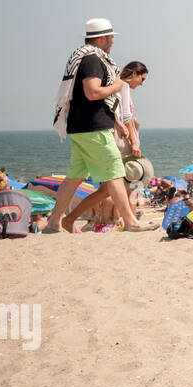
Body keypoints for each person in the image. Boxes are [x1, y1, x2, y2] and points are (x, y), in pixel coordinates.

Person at [44, 19, 155, 233]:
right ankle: (131, 222)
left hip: (79, 127)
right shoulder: (93, 59)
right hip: (94, 128)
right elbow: (92, 92)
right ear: (102, 38)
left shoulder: (83, 57)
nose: (112, 42)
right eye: (111, 38)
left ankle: (53, 223)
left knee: (75, 176)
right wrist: (115, 86)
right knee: (114, 173)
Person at [61, 61, 150, 231]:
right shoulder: (122, 85)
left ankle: (70, 218)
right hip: (119, 140)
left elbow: (114, 112)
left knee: (108, 188)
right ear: (134, 74)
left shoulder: (117, 85)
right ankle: (131, 222)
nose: (142, 83)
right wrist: (134, 141)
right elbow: (126, 116)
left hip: (113, 136)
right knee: (124, 183)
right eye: (142, 78)